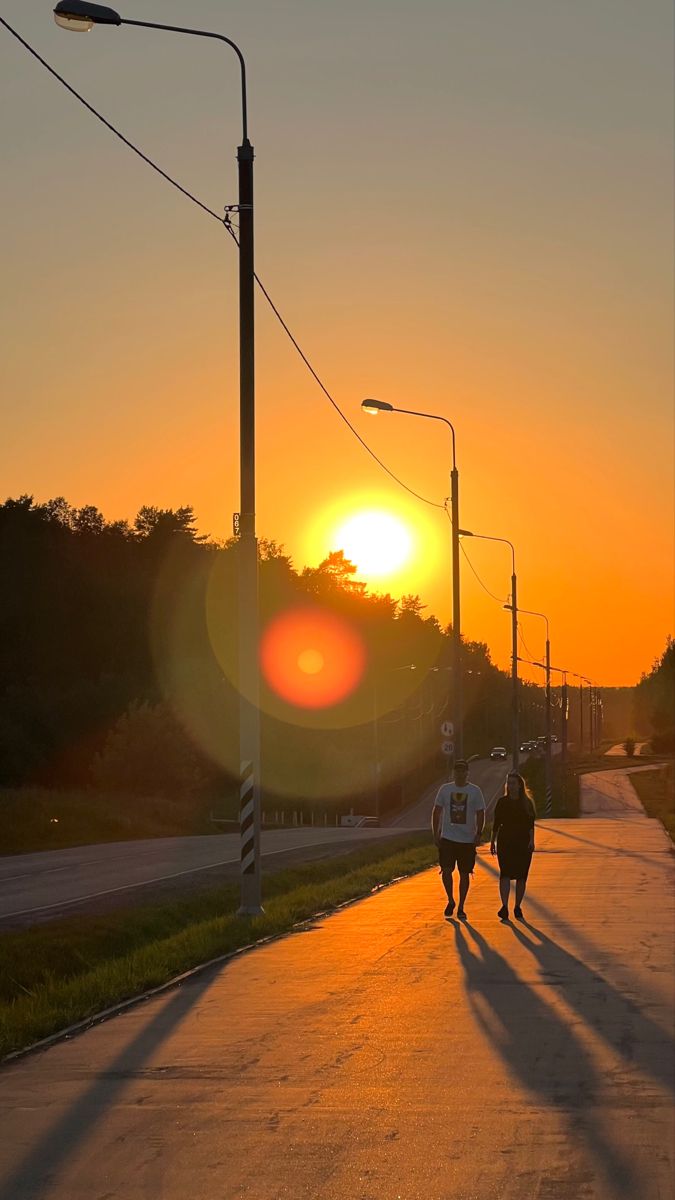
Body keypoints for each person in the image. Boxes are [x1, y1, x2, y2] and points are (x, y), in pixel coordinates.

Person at [432, 759, 486, 921]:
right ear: (453, 773)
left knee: (464, 873)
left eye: (463, 771)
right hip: (448, 838)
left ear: (467, 773)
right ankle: (450, 900)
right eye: (457, 771)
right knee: (446, 870)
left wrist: (479, 833)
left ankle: (461, 906)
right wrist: (436, 833)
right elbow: (437, 811)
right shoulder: (445, 789)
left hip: (467, 840)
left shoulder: (475, 791)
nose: (460, 774)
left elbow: (480, 813)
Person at [490, 771, 536, 921]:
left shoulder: (527, 803)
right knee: (505, 874)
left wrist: (531, 840)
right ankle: (504, 907)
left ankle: (517, 906)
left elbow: (530, 824)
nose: (510, 786)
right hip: (505, 842)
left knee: (521, 876)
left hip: (522, 842)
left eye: (513, 783)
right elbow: (496, 824)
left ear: (519, 785)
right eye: (508, 783)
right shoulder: (502, 802)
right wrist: (492, 841)